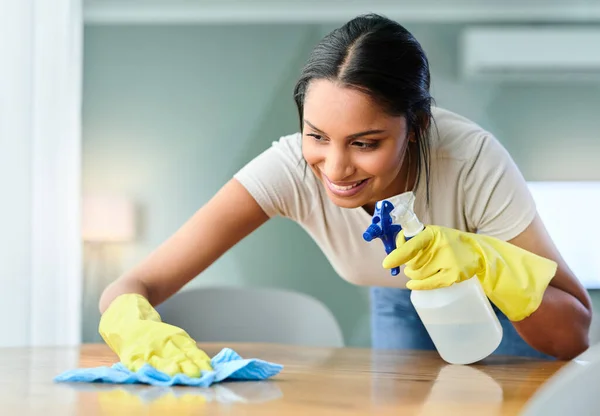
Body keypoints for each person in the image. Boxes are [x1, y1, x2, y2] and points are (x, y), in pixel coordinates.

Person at [98, 14, 592, 377]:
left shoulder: (471, 160)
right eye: (317, 136)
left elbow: (572, 335)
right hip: (400, 301)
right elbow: (132, 284)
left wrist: (488, 262)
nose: (335, 169)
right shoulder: (291, 167)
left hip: (498, 307)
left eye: (365, 143)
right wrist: (133, 324)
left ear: (416, 126)